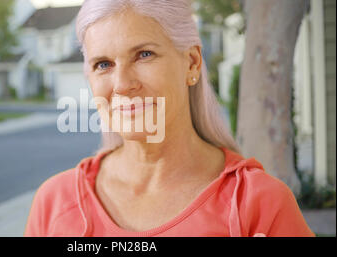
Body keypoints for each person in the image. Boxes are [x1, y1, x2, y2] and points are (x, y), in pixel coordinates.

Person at [24, 0, 315, 237]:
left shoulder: (259, 206)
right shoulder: (54, 202)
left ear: (192, 63)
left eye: (144, 54)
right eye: (103, 64)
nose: (122, 84)